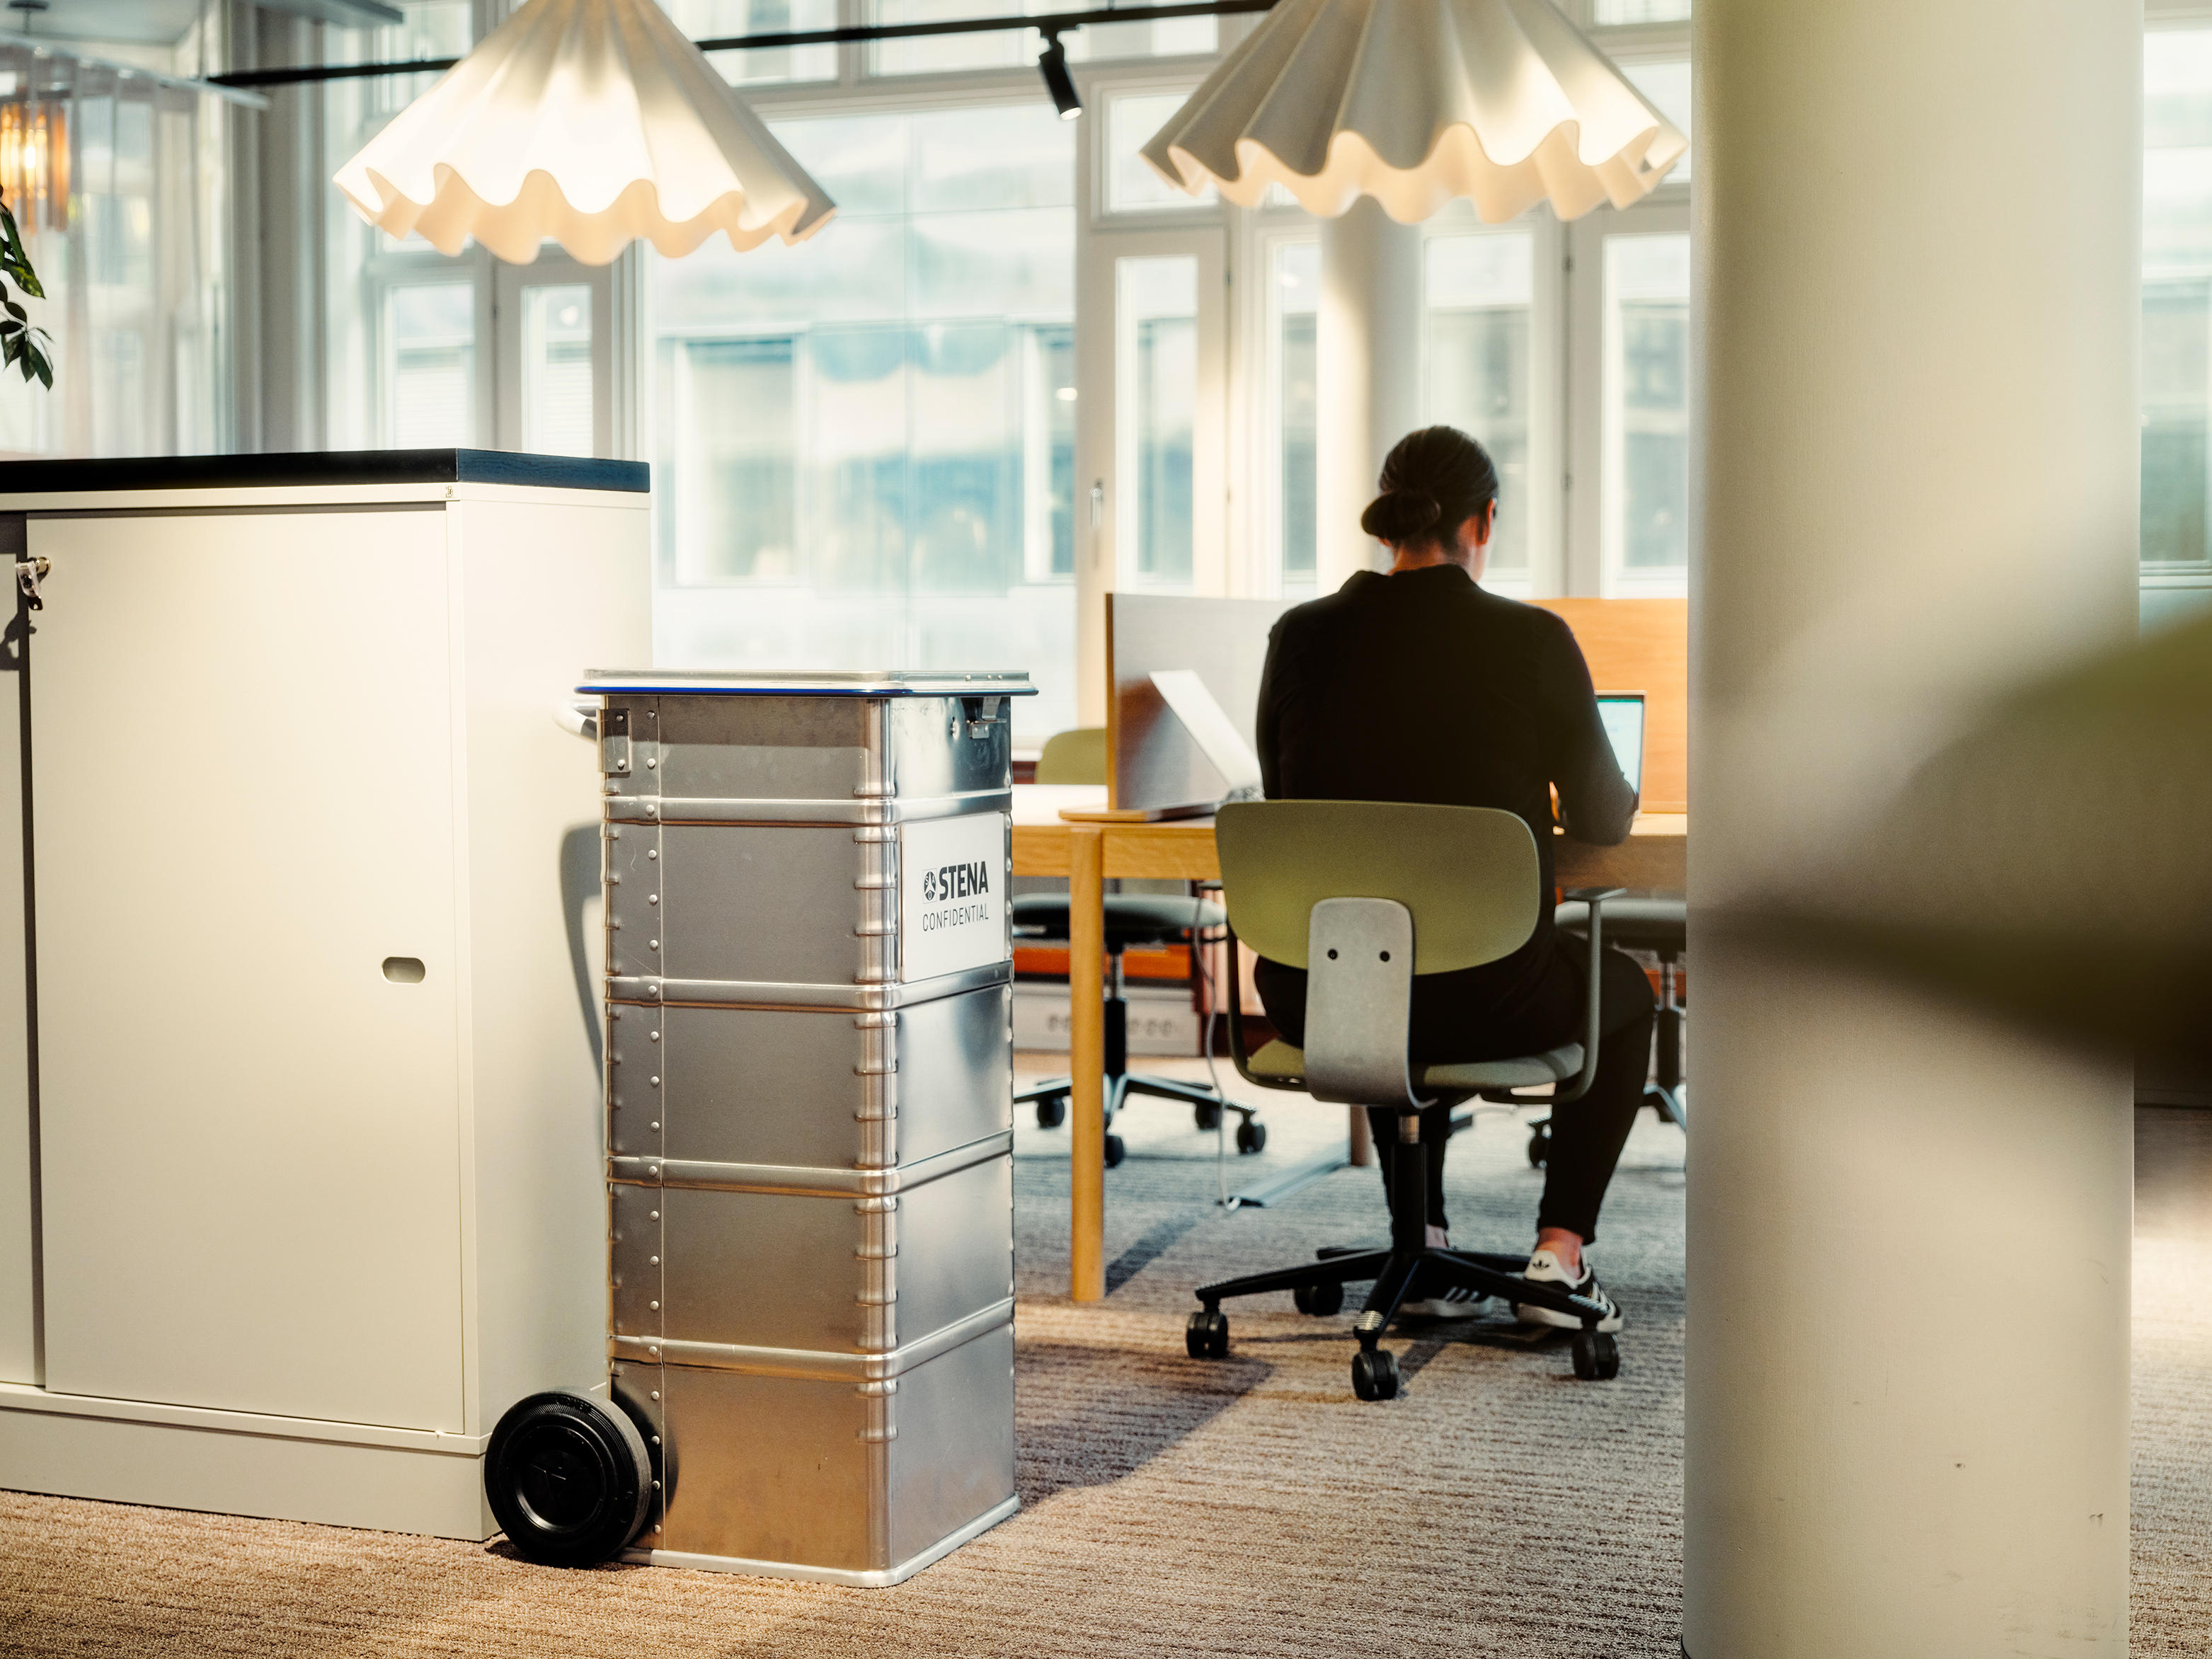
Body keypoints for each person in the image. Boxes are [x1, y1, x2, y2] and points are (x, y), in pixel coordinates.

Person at [1251, 425, 1656, 1330]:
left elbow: (1286, 806)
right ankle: (1557, 1258)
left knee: (1394, 953)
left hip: (1319, 992)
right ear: (1484, 522)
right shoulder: (1531, 640)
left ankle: (1421, 1236)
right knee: (1623, 990)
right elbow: (1602, 819)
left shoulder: (1298, 635)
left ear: (1388, 524)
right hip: (1487, 994)